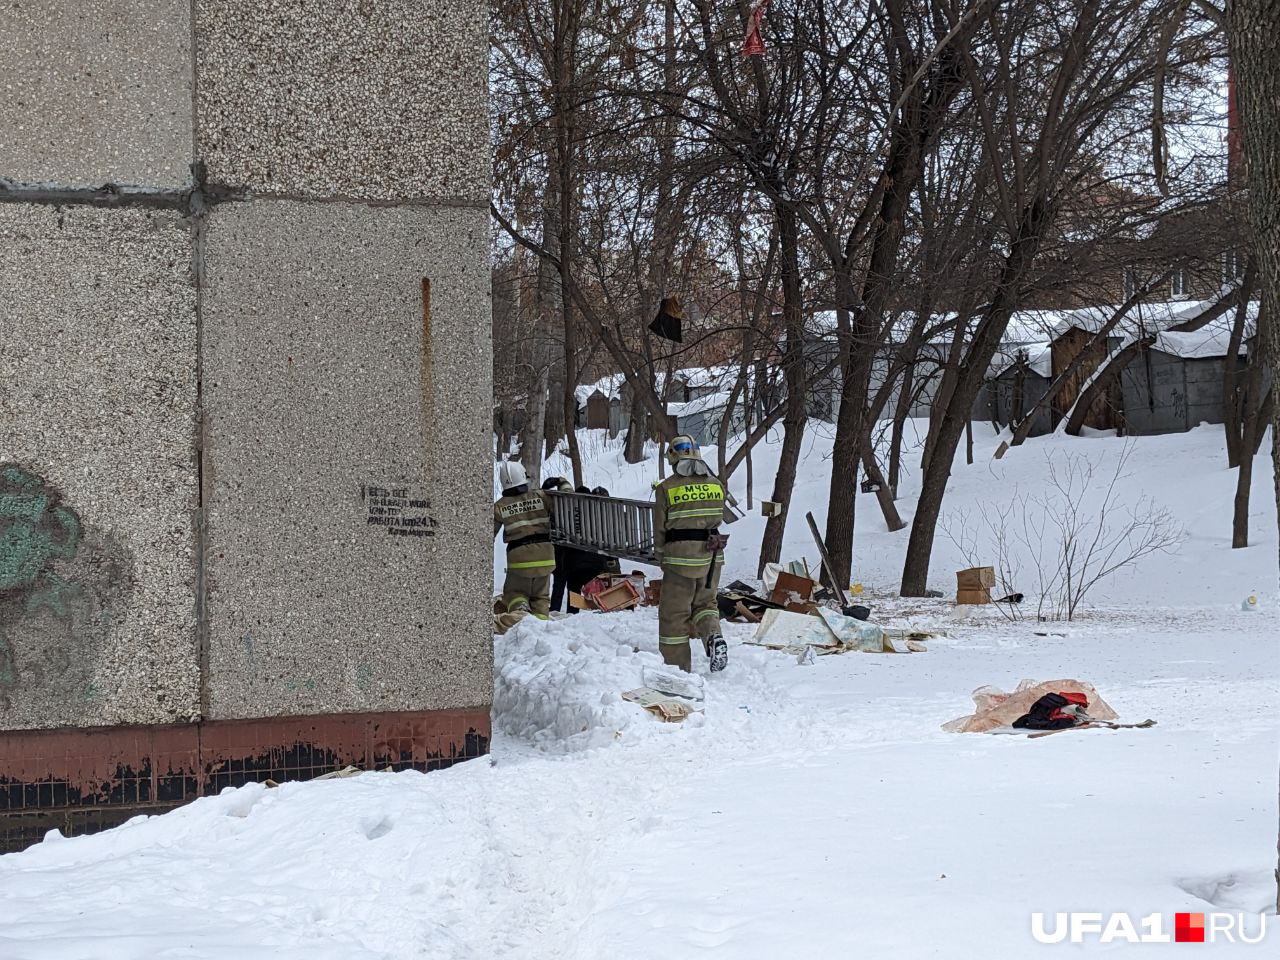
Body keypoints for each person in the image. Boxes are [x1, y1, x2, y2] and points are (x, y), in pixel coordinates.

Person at [652, 435, 731, 672]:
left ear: (675, 457)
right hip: (713, 556)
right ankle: (713, 637)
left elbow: (660, 527)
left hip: (680, 559)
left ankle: (676, 668)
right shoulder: (716, 484)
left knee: (674, 614)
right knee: (706, 603)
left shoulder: (667, 487)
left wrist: (660, 555)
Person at [494, 461, 556, 619]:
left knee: (514, 593)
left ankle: (519, 612)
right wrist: (561, 482)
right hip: (546, 558)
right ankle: (541, 624)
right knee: (541, 597)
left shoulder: (499, 506)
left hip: (519, 560)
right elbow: (566, 503)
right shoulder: (542, 496)